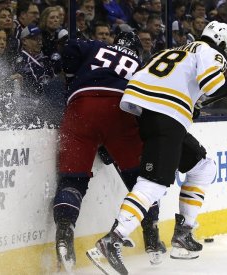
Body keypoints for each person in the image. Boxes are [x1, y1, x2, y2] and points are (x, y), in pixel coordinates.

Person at [87, 21, 227, 275]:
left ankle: (184, 234)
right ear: (223, 44)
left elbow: (186, 90)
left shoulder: (174, 51)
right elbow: (213, 85)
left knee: (203, 166)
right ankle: (112, 239)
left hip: (147, 112)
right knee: (153, 184)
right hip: (167, 115)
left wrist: (197, 102)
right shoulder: (209, 51)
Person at [53, 31, 166, 273]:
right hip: (121, 112)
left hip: (80, 107)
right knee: (142, 180)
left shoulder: (96, 45)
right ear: (137, 50)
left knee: (73, 180)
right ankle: (151, 234)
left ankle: (64, 231)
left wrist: (73, 77)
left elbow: (70, 48)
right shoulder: (141, 64)